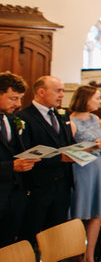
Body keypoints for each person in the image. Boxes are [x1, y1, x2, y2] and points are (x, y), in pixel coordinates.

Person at [17, 76, 74, 247]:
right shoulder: (23, 117)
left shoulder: (61, 115)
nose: (62, 95)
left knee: (56, 232)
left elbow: (66, 143)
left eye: (63, 90)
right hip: (38, 186)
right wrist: (59, 158)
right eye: (58, 91)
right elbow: (24, 153)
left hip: (62, 182)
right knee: (32, 233)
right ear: (41, 92)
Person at [68, 86, 101, 262]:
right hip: (81, 169)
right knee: (80, 214)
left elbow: (99, 142)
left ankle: (90, 256)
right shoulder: (71, 122)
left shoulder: (95, 118)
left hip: (97, 166)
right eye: (97, 98)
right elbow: (69, 151)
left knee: (97, 213)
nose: (100, 101)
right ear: (86, 99)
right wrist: (94, 145)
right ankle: (77, 258)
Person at [0, 72, 36, 248]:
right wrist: (11, 166)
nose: (18, 104)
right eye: (13, 98)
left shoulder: (12, 118)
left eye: (20, 98)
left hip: (14, 193)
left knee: (8, 244)